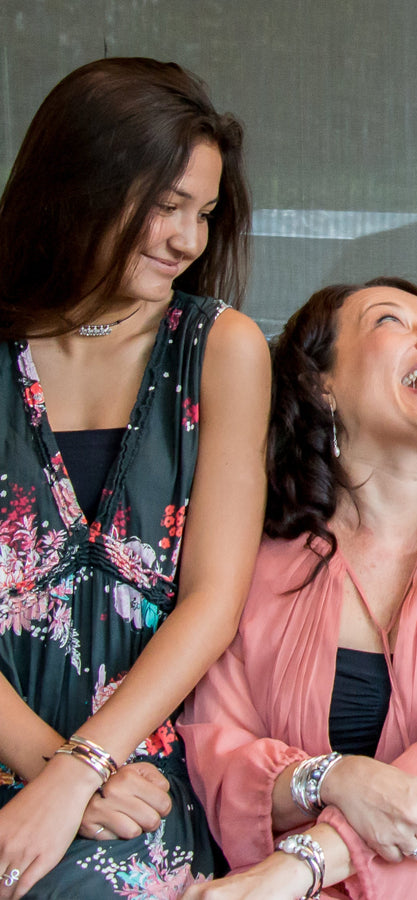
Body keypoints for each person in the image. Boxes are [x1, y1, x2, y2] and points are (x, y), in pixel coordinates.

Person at [178, 279, 417, 900]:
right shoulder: (256, 549)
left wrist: (300, 866)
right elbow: (218, 755)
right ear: (321, 383)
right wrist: (331, 778)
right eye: (390, 321)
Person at [0, 58, 267, 898]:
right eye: (166, 204)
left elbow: (213, 603)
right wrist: (51, 773)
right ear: (79, 183)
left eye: (204, 214)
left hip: (139, 770)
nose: (187, 240)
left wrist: (83, 769)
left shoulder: (220, 349)